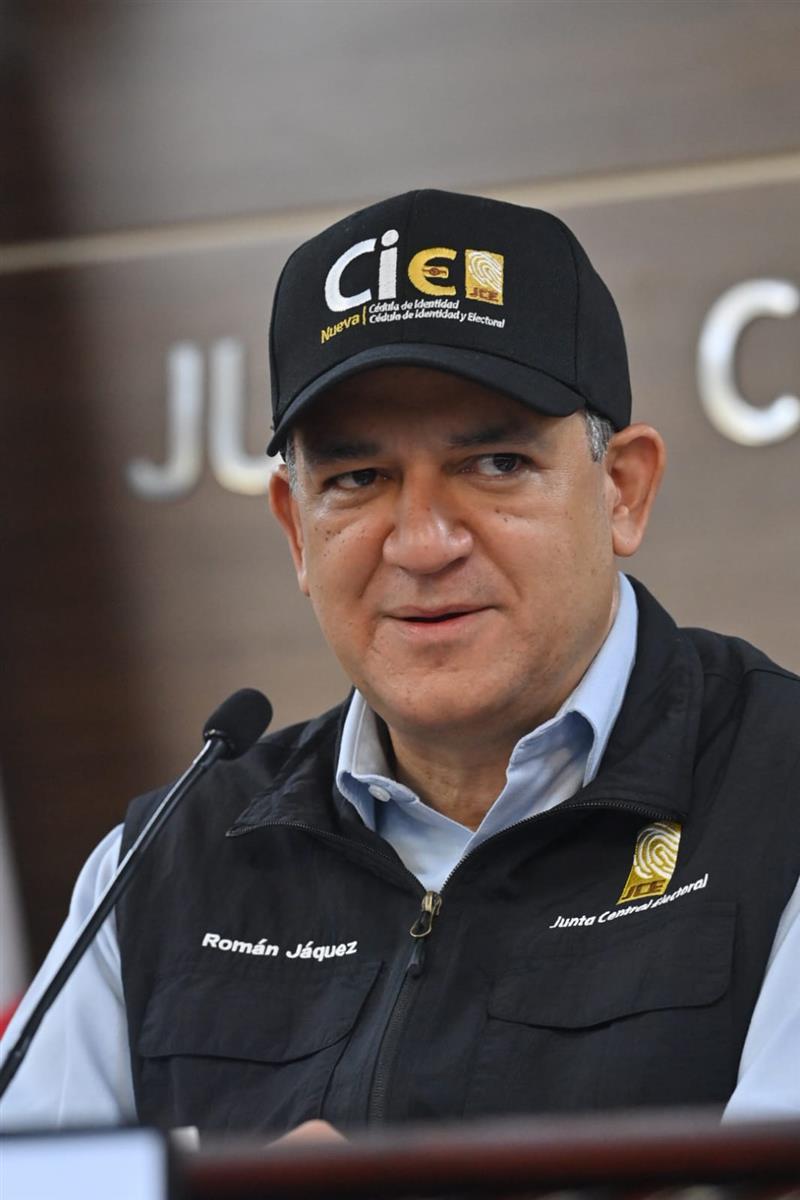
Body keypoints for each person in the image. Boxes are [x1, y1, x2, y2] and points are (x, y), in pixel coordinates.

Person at [2, 190, 798, 1135]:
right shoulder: (157, 868)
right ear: (296, 531)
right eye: (357, 479)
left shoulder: (777, 789)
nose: (422, 543)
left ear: (622, 490)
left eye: (496, 464)